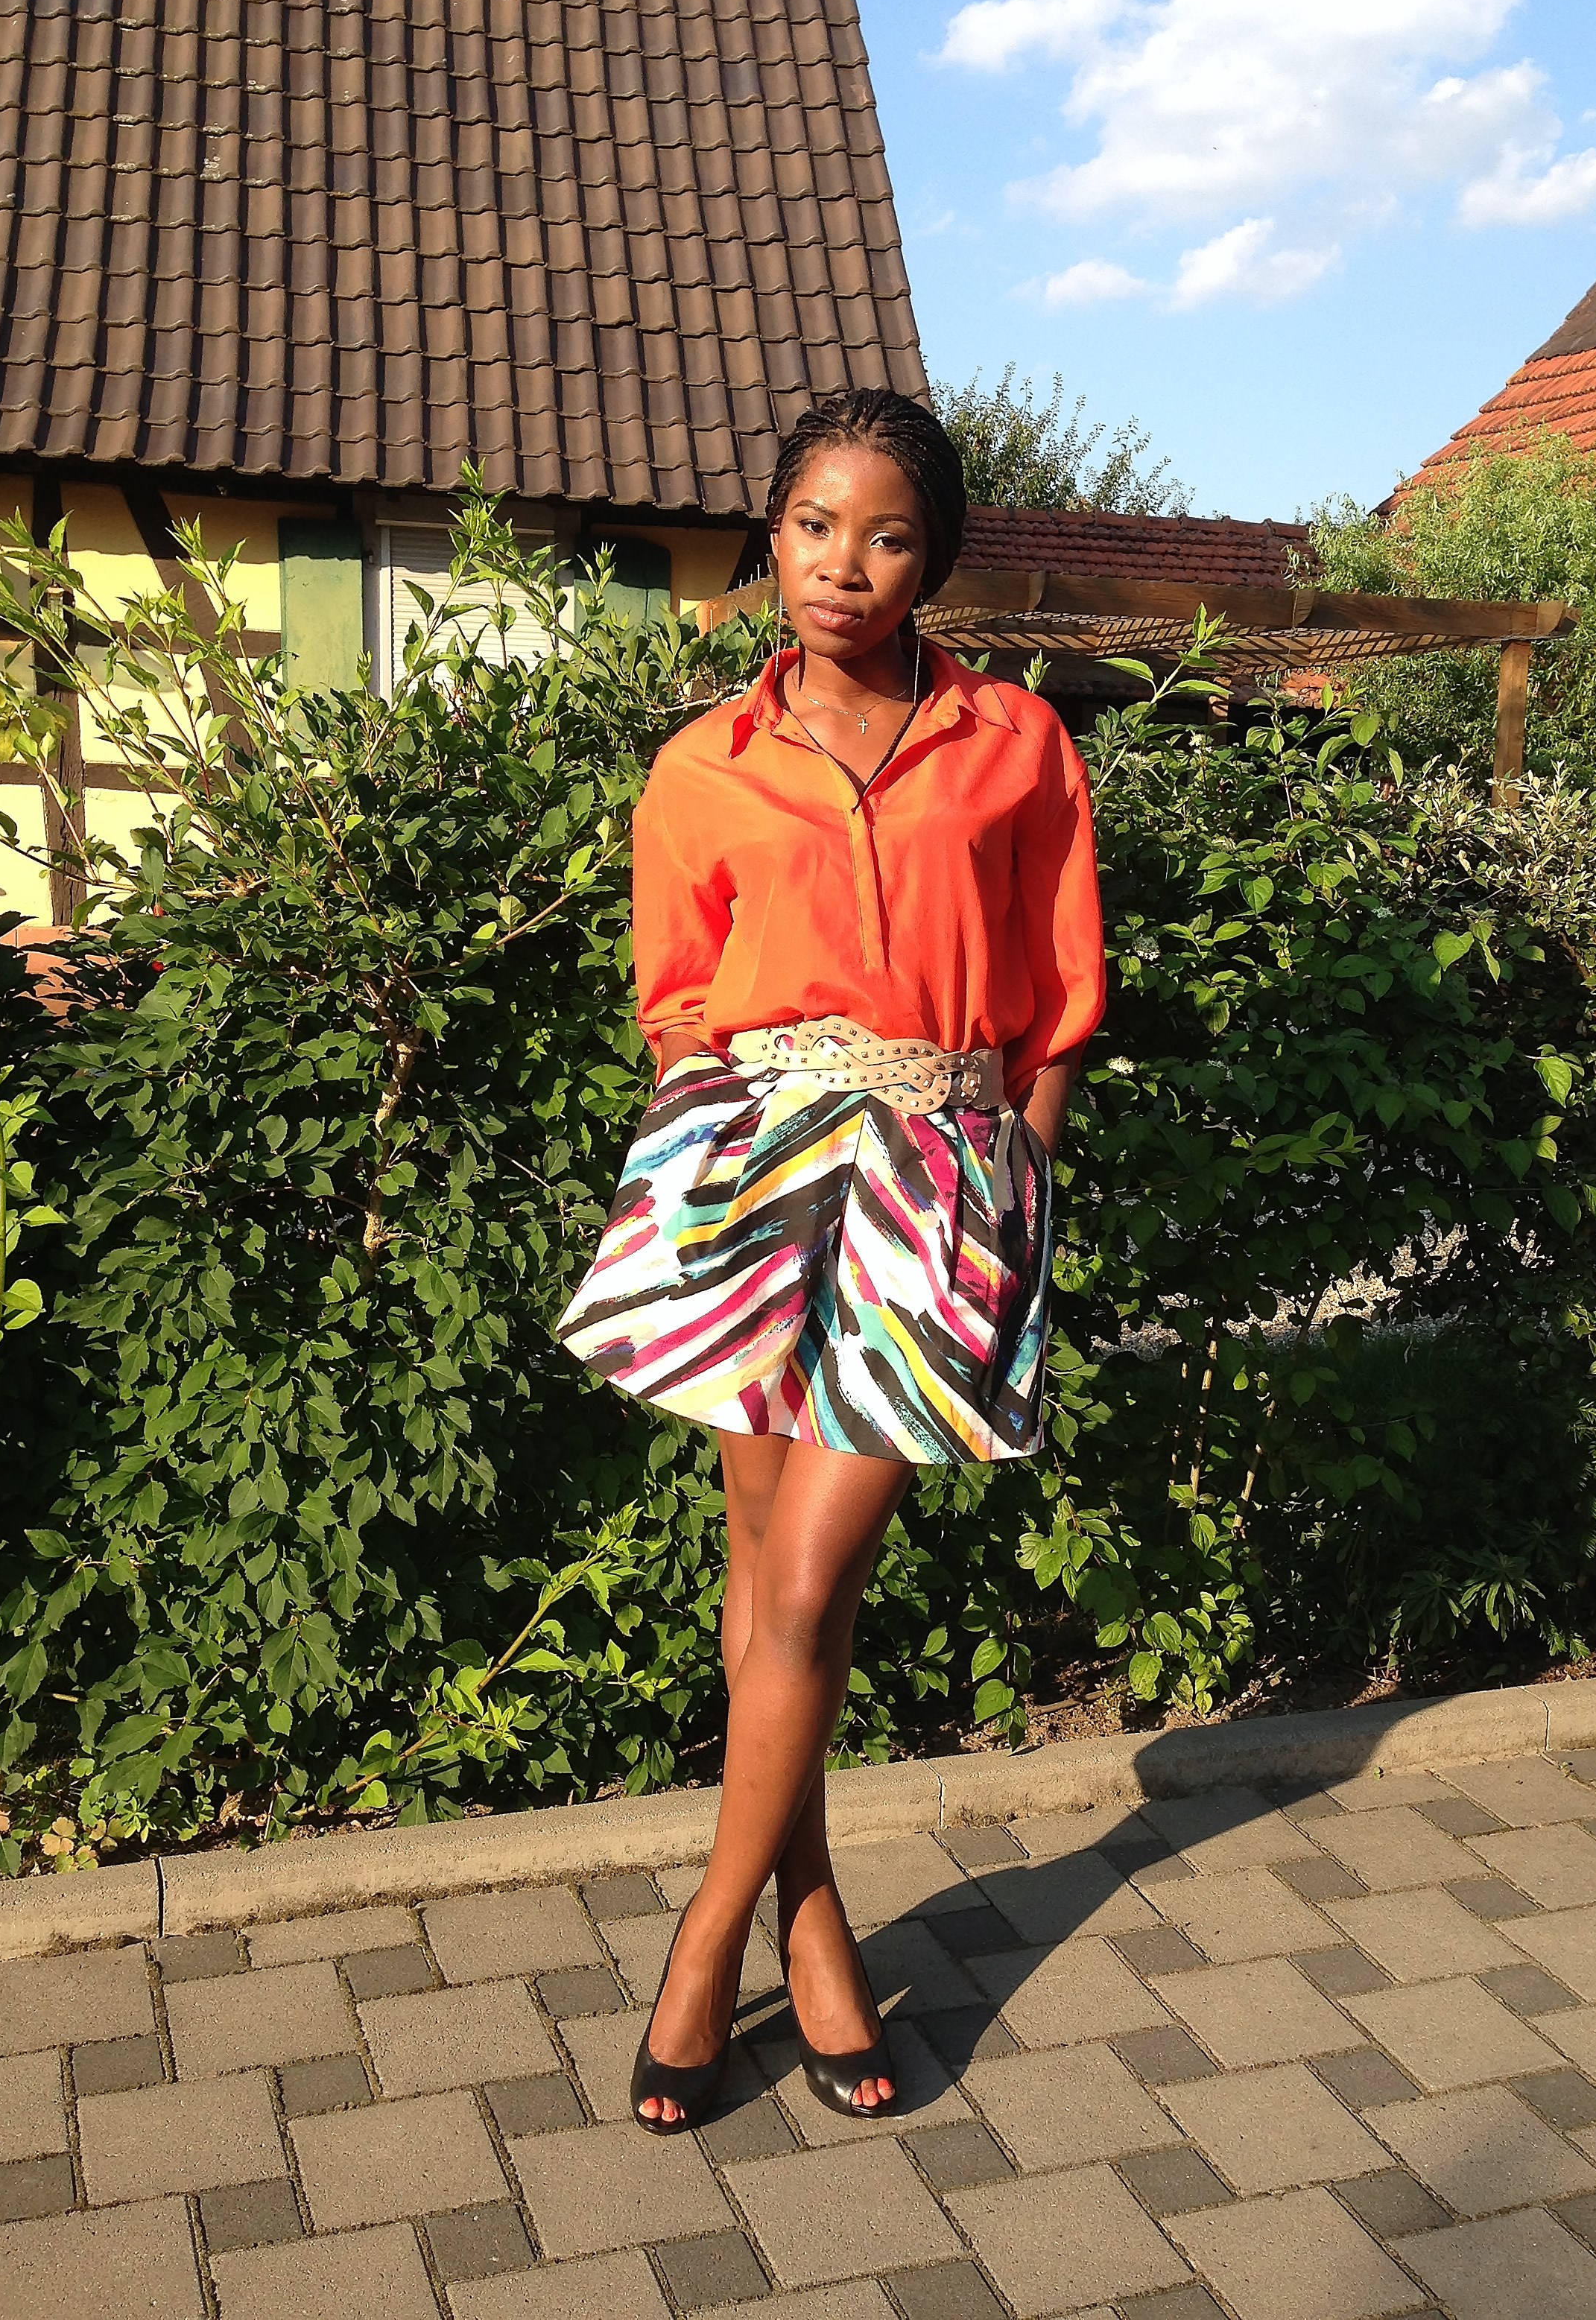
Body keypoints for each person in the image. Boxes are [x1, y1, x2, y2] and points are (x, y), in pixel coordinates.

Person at [557, 387, 1105, 2129]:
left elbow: (1061, 985)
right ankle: (815, 1928)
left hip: (940, 1176)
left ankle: (703, 1943)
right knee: (766, 1582)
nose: (841, 565)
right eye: (813, 525)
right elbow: (675, 999)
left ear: (931, 559)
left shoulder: (1016, 741)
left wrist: (1023, 1165)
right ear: (773, 533)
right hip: (749, 1172)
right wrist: (701, 1163)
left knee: (804, 1586)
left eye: (885, 535)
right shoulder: (701, 766)